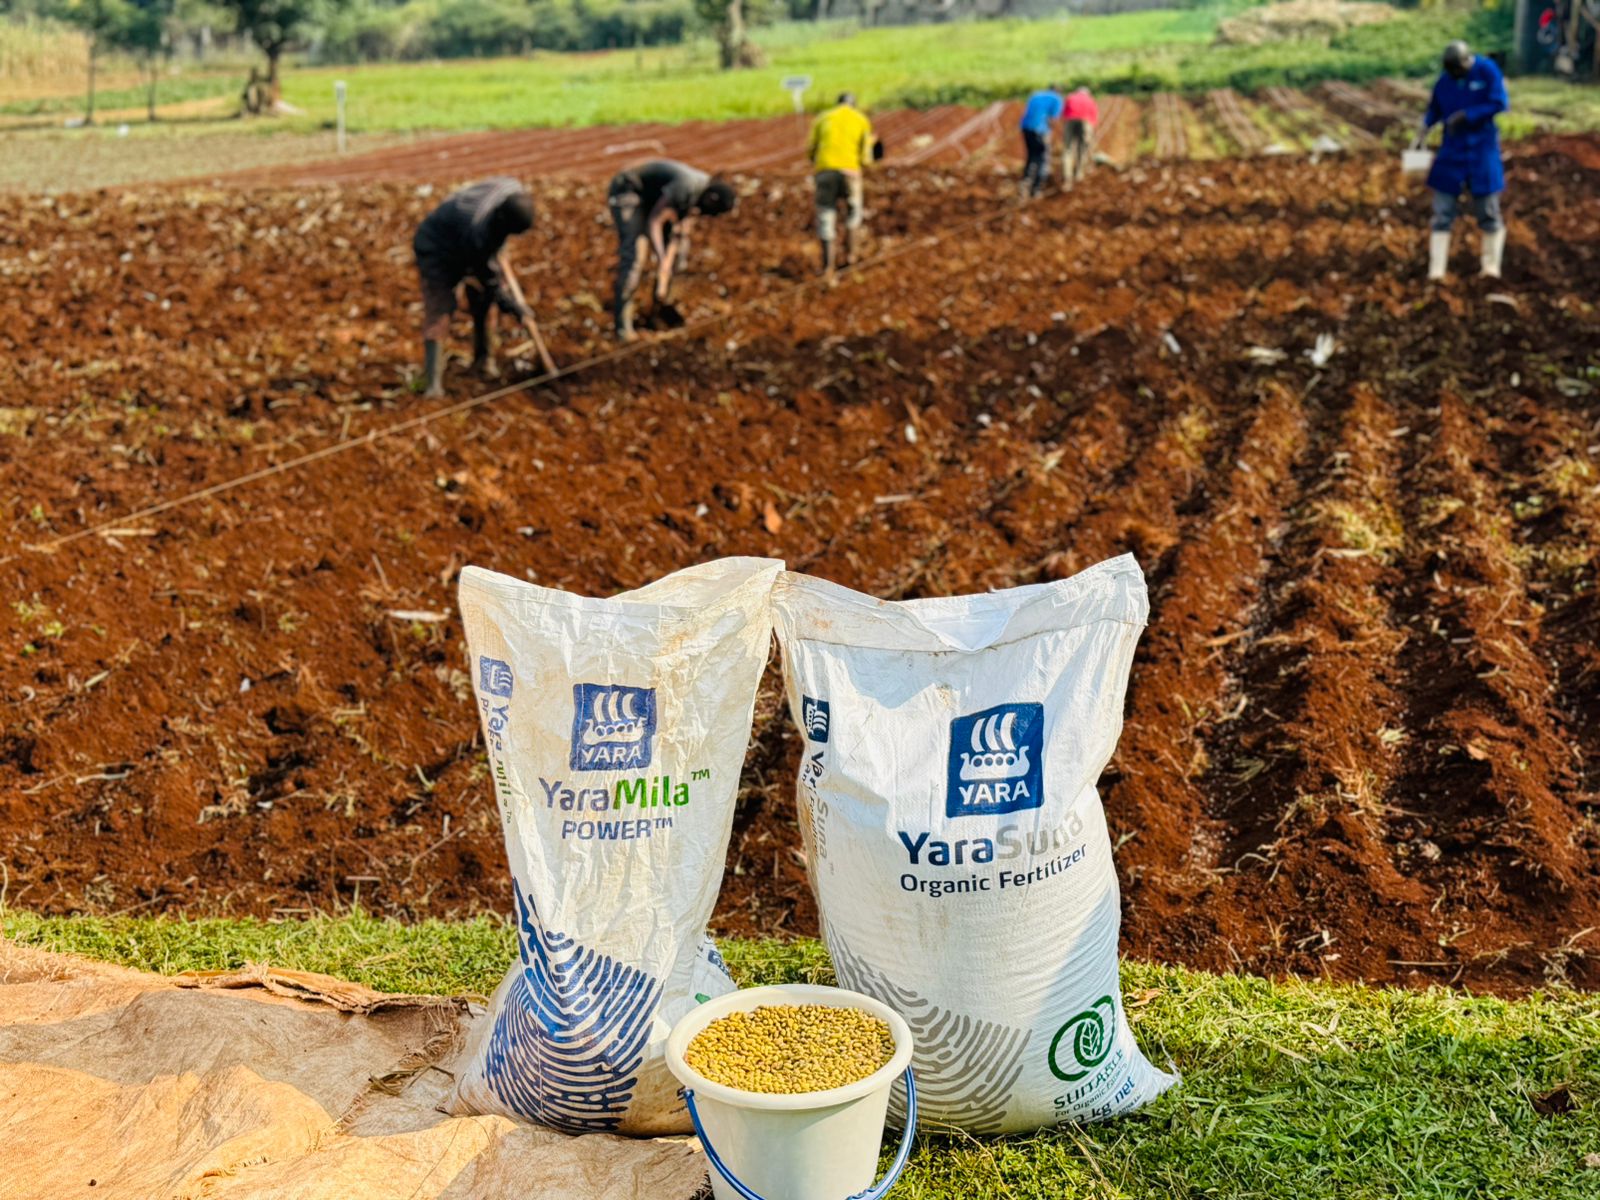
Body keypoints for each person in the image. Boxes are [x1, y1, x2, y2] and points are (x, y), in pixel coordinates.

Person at [412, 177, 548, 398]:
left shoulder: (513, 189)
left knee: (482, 301)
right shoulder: (478, 231)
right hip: (436, 248)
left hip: (466, 237)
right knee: (441, 309)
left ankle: (483, 361)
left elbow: (488, 277)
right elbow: (490, 282)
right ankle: (433, 385)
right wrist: (514, 308)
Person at [607, 160, 736, 341]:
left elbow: (678, 232)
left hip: (656, 197)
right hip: (629, 189)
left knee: (680, 254)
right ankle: (623, 327)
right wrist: (661, 258)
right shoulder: (687, 186)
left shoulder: (702, 191)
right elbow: (654, 222)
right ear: (711, 200)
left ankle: (659, 307)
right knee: (635, 255)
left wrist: (667, 265)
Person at [1417, 40, 1509, 282]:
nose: (1456, 74)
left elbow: (1499, 102)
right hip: (1452, 151)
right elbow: (1434, 109)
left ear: (1468, 61)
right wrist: (1424, 128)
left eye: (1459, 69)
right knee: (1442, 211)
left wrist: (1468, 115)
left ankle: (1491, 268)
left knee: (1488, 210)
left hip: (1481, 149)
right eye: (1452, 71)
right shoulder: (1445, 82)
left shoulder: (1487, 70)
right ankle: (1436, 271)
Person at [807, 92, 877, 281]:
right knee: (853, 213)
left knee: (826, 214)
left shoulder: (823, 119)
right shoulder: (861, 120)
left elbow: (811, 150)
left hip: (825, 171)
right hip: (850, 172)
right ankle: (851, 259)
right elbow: (865, 156)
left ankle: (828, 267)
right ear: (853, 105)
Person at [1019, 84, 1063, 198]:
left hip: (1026, 128)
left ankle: (1026, 181)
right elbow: (1053, 119)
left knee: (1031, 155)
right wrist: (1054, 134)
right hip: (1040, 129)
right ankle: (1036, 189)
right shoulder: (1056, 98)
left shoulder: (1036, 95)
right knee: (1043, 158)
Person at [1061, 86, 1100, 186]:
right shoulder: (1090, 100)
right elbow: (1094, 117)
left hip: (1070, 121)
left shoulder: (1071, 97)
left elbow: (1064, 113)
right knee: (1082, 147)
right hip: (1085, 122)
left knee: (1068, 149)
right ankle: (1079, 173)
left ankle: (1067, 175)